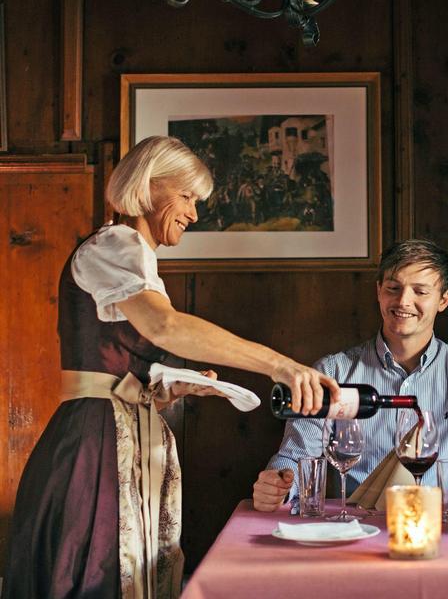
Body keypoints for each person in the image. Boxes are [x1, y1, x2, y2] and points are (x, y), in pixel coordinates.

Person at [1, 136, 339, 599]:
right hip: (96, 445)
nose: (194, 214)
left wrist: (172, 388)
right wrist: (279, 365)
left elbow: (117, 363)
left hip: (120, 436)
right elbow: (163, 326)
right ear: (149, 185)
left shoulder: (134, 257)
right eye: (186, 197)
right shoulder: (117, 243)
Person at [253, 239, 448, 513]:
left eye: (420, 291)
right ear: (379, 292)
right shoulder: (332, 372)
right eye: (393, 288)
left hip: (437, 527)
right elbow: (295, 457)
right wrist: (279, 486)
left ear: (443, 300)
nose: (403, 301)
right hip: (352, 528)